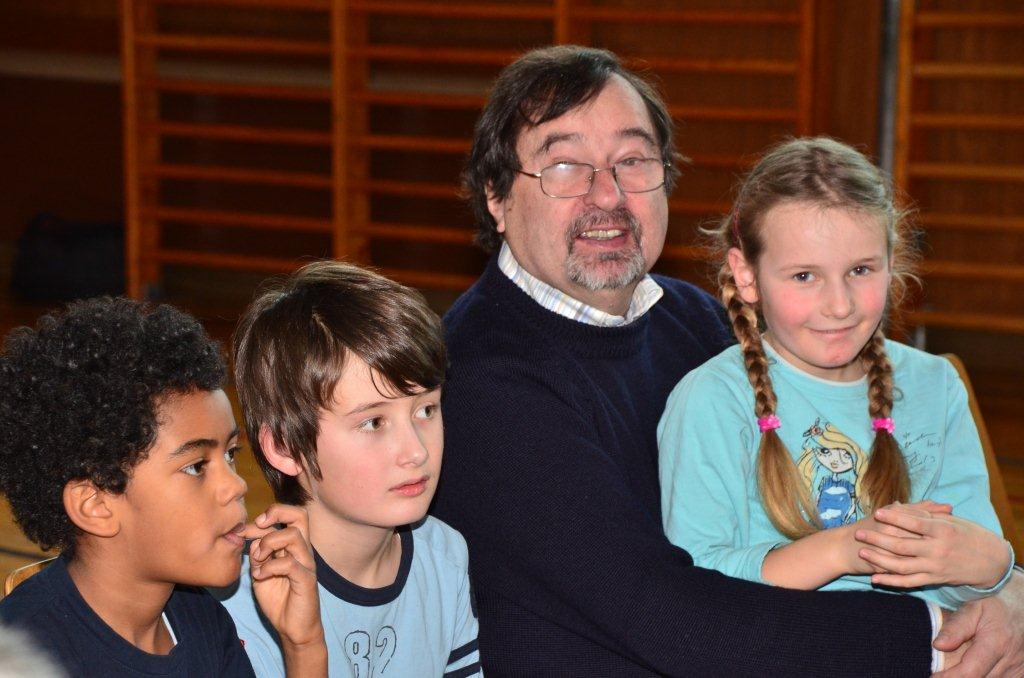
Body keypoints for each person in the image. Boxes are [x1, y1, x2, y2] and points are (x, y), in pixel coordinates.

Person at [431, 44, 1024, 676]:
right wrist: (941, 639)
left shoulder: (691, 318)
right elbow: (682, 627)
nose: (607, 193)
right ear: (496, 196)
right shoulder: (481, 376)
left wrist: (1007, 589)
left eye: (632, 160)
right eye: (565, 166)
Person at [657, 137, 1013, 611]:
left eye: (861, 270)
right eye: (804, 276)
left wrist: (995, 567)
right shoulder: (711, 399)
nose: (840, 305)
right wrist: (844, 549)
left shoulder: (937, 385)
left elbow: (967, 585)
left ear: (891, 262)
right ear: (747, 276)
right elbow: (697, 587)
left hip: (920, 644)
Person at [0, 297, 327, 677]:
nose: (236, 485)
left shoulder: (202, 619)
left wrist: (302, 643)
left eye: (231, 454)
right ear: (96, 505)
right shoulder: (25, 660)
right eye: (196, 467)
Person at [218, 260, 481, 677]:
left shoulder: (443, 554)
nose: (415, 451)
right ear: (286, 447)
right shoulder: (239, 605)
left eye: (426, 410)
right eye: (373, 422)